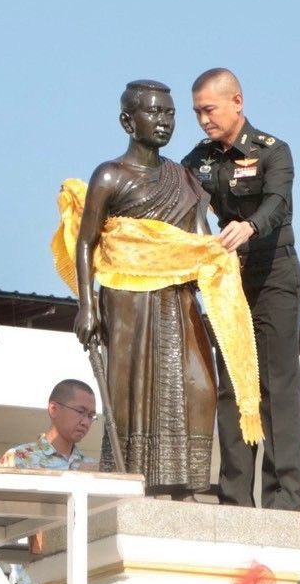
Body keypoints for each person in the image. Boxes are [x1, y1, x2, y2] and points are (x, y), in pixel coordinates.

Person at [71, 80, 219, 494]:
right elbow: (86, 241)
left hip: (178, 297)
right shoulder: (110, 175)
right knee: (131, 391)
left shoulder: (184, 179)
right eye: (154, 112)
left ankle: (185, 482)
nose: (163, 121)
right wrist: (86, 305)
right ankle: (133, 479)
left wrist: (223, 267)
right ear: (127, 121)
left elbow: (201, 241)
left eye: (169, 113)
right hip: (127, 298)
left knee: (198, 386)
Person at [182, 67, 300, 510]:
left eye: (209, 110)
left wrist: (250, 226)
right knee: (232, 385)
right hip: (228, 278)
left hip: (274, 274)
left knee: (275, 385)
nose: (203, 120)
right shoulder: (197, 161)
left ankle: (282, 499)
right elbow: (178, 206)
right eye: (197, 112)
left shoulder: (273, 151)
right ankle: (234, 499)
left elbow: (278, 203)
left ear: (237, 101)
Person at [0, 378, 97, 584]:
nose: (86, 421)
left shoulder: (91, 468)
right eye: (80, 411)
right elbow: (2, 520)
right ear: (54, 408)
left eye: (91, 415)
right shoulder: (20, 459)